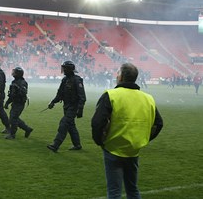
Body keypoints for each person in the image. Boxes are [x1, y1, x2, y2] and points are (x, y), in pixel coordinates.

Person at [91, 63, 163, 199]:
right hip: (134, 150)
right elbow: (158, 124)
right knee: (133, 189)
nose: (116, 76)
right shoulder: (148, 98)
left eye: (118, 73)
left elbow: (97, 123)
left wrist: (100, 141)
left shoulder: (111, 95)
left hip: (113, 148)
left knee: (114, 192)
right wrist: (144, 139)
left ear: (122, 77)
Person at [47, 61, 86, 152]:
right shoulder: (64, 80)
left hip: (73, 107)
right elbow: (60, 94)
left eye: (65, 68)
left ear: (69, 69)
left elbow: (82, 96)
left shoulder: (77, 80)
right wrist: (53, 102)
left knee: (64, 124)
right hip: (66, 106)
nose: (63, 70)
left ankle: (55, 145)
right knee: (71, 126)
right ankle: (77, 145)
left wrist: (80, 109)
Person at [3, 66, 33, 139]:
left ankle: (12, 134)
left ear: (18, 74)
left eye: (15, 72)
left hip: (19, 103)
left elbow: (23, 93)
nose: (13, 73)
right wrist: (7, 102)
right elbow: (12, 94)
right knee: (14, 118)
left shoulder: (23, 82)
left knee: (13, 118)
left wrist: (18, 90)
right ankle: (27, 129)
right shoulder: (14, 82)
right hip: (15, 102)